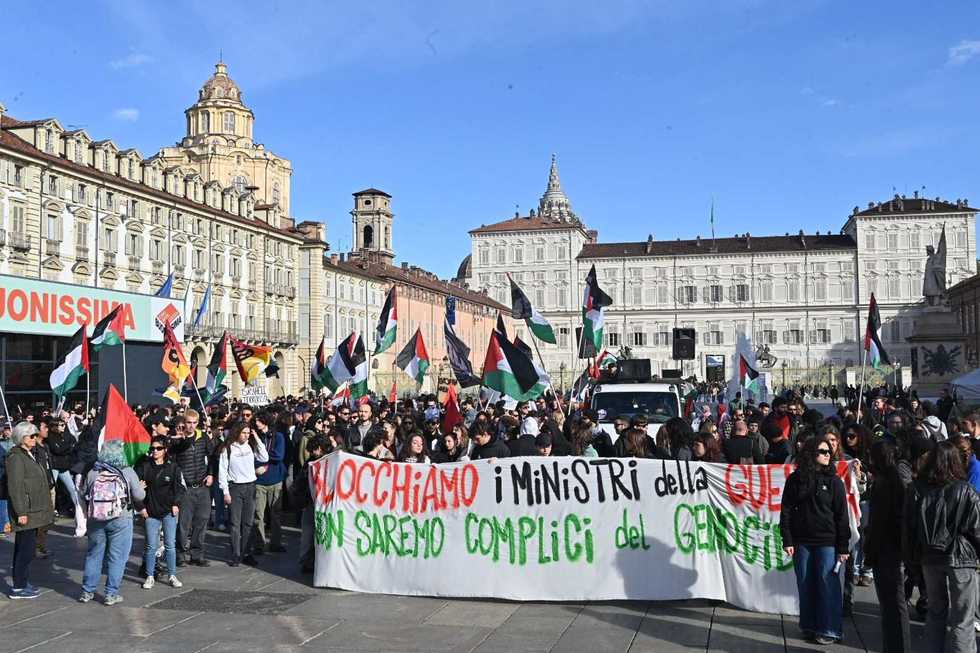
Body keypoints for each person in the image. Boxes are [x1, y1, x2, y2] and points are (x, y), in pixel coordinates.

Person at [903, 440, 980, 653]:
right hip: (961, 557)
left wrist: (912, 560)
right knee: (963, 618)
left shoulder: (917, 489)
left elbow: (909, 528)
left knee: (936, 612)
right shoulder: (965, 490)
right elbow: (976, 528)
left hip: (930, 557)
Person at [780, 435, 851, 645]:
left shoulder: (835, 481)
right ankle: (810, 625)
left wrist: (843, 546)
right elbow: (786, 511)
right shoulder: (796, 479)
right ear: (811, 454)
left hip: (827, 542)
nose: (827, 455)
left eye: (829, 451)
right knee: (805, 583)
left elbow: (842, 515)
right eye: (822, 451)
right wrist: (787, 539)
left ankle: (830, 628)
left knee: (826, 583)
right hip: (802, 541)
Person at [79, 440, 145, 605]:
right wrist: (141, 487)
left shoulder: (94, 472)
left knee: (94, 555)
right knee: (117, 557)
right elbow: (139, 496)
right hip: (121, 518)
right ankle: (111, 594)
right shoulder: (127, 471)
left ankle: (87, 591)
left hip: (96, 518)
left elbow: (83, 493)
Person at [863, 440, 910, 653]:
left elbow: (879, 523)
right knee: (892, 604)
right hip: (890, 548)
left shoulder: (885, 484)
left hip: (886, 549)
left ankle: (896, 647)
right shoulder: (890, 480)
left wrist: (870, 551)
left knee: (892, 603)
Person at [5, 422, 54, 599]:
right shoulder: (16, 457)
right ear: (22, 438)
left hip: (34, 510)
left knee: (25, 548)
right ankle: (18, 587)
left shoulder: (28, 454)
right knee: (25, 550)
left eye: (35, 435)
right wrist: (21, 512)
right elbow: (15, 487)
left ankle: (22, 582)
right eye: (31, 436)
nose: (35, 438)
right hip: (27, 511)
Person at [136, 435, 185, 589]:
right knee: (151, 546)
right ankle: (150, 575)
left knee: (170, 545)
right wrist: (141, 506)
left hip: (168, 512)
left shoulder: (173, 467)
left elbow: (181, 488)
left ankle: (172, 575)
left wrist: (176, 504)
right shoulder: (144, 466)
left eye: (158, 448)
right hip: (150, 512)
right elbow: (135, 489)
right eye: (153, 448)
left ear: (165, 450)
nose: (155, 451)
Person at [218, 421, 268, 567]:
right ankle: (235, 554)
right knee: (235, 523)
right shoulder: (227, 449)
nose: (246, 436)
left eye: (248, 433)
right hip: (235, 487)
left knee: (248, 522)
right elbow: (222, 471)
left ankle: (247, 552)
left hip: (250, 486)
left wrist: (256, 438)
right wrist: (225, 492)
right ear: (237, 432)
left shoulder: (251, 445)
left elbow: (264, 457)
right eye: (243, 433)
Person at [170, 409, 215, 567]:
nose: (191, 426)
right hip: (186, 487)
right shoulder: (178, 439)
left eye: (194, 423)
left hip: (202, 486)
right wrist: (179, 440)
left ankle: (196, 554)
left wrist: (210, 474)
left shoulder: (202, 437)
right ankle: (180, 554)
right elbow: (172, 460)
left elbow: (212, 455)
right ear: (184, 422)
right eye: (188, 422)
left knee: (202, 521)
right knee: (184, 523)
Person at [253, 411, 286, 555]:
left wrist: (264, 461)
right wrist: (259, 463)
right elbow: (252, 456)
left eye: (258, 420)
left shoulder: (278, 436)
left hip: (275, 479)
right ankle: (259, 544)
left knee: (275, 514)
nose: (256, 423)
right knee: (258, 515)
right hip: (259, 481)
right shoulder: (254, 438)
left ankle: (276, 543)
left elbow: (278, 455)